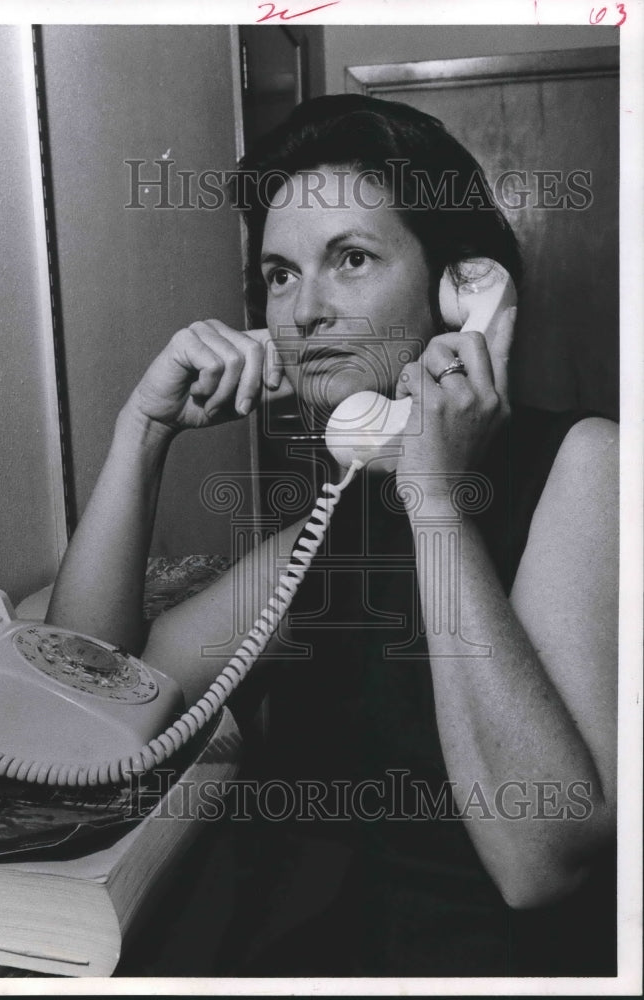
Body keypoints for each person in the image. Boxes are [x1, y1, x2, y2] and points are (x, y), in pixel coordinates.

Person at [45, 95, 617, 976]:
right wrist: (142, 433)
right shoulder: (344, 515)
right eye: (279, 274)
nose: (302, 310)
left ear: (462, 291)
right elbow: (95, 691)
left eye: (350, 259)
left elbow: (538, 862)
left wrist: (434, 497)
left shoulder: (589, 463)